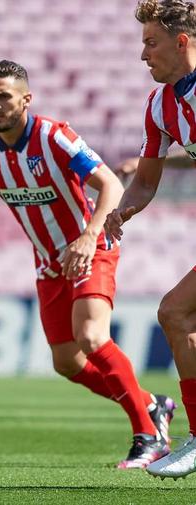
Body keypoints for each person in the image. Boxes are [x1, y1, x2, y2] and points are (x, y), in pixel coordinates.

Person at [0, 60, 175, 469]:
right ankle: (151, 405)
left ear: (26, 100)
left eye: (4, 97)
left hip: (91, 246)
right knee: (66, 362)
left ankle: (148, 435)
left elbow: (111, 183)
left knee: (90, 335)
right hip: (49, 259)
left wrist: (89, 236)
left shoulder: (54, 135)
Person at [106, 0, 196, 479]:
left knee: (176, 312)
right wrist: (121, 211)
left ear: (181, 42)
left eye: (151, 43)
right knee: (176, 314)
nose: (143, 55)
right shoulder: (161, 105)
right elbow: (146, 180)